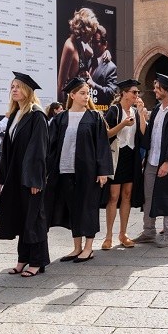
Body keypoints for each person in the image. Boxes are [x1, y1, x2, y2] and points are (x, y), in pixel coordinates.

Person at [45, 77, 114, 262]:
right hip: (65, 170)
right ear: (72, 95)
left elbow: (102, 145)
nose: (86, 96)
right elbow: (51, 147)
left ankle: (89, 248)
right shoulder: (60, 118)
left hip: (88, 171)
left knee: (88, 208)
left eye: (87, 93)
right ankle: (76, 247)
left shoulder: (94, 117)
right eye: (82, 93)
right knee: (73, 208)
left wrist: (103, 171)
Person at [0, 72, 50, 278]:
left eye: (18, 86)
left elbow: (39, 149)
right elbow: (8, 149)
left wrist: (35, 178)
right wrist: (3, 178)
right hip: (15, 175)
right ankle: (22, 259)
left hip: (30, 177)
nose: (14, 89)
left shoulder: (37, 115)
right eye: (12, 87)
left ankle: (37, 261)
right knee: (21, 216)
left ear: (28, 90)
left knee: (34, 218)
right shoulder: (15, 115)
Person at [133, 73, 168, 248]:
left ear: (166, 90)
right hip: (151, 161)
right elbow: (149, 135)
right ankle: (148, 232)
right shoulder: (157, 109)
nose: (155, 90)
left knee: (167, 196)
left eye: (158, 88)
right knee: (148, 196)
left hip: (166, 163)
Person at [103, 79, 147, 249]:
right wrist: (123, 123)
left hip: (131, 156)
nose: (137, 95)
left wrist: (142, 113)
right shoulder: (114, 110)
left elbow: (143, 135)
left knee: (127, 195)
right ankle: (108, 236)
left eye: (137, 93)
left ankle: (123, 233)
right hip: (117, 156)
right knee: (114, 196)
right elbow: (106, 134)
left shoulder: (136, 112)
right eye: (134, 92)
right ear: (124, 93)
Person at [57, 8, 98, 103]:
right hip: (70, 102)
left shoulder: (81, 44)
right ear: (84, 31)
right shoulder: (70, 47)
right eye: (90, 35)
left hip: (80, 101)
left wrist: (86, 74)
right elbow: (61, 85)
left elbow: (92, 53)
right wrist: (62, 113)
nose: (91, 38)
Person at [87, 25, 118, 109]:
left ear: (105, 44)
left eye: (96, 42)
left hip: (101, 113)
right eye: (91, 42)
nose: (93, 45)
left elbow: (112, 92)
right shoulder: (89, 61)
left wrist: (94, 85)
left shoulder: (111, 67)